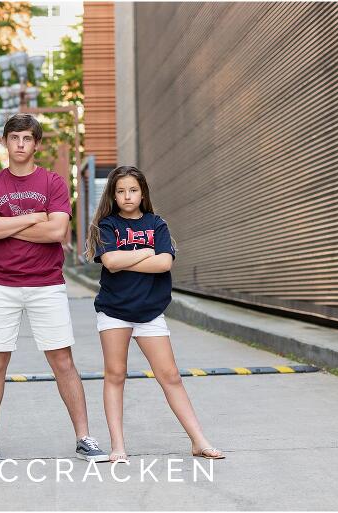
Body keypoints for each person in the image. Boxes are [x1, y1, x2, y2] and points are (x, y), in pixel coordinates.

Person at [0, 113, 108, 465]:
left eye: (27, 138)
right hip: (1, 284)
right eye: (13, 137)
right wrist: (34, 217)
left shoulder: (53, 182)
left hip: (46, 284)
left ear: (37, 144)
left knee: (63, 361)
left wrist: (4, 225)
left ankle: (84, 437)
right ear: (4, 142)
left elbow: (56, 233)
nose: (20, 144)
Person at [85, 165, 225, 462]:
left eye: (133, 190)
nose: (127, 196)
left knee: (170, 375)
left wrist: (128, 259)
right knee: (115, 375)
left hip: (150, 312)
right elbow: (110, 262)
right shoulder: (107, 226)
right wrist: (147, 252)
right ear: (113, 194)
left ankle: (199, 441)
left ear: (143, 192)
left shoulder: (156, 224)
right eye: (120, 191)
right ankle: (118, 447)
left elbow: (164, 265)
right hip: (114, 311)